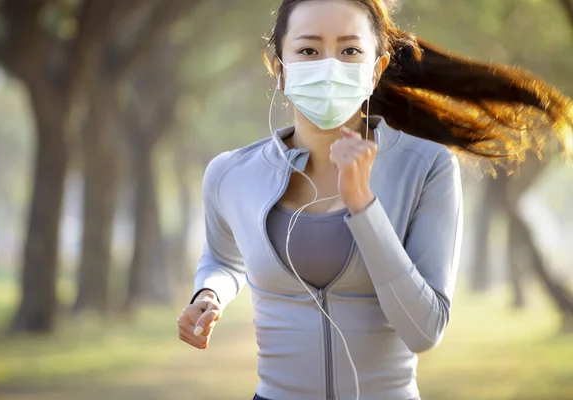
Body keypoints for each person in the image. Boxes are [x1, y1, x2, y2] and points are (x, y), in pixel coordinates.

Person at [176, 0, 573, 399]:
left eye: (350, 50)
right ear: (278, 67)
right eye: (309, 51)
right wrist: (208, 294)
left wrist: (363, 205)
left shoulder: (427, 167)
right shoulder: (232, 173)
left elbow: (425, 330)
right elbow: (224, 259)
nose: (329, 67)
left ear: (376, 69)